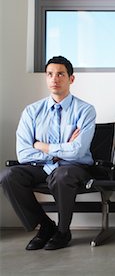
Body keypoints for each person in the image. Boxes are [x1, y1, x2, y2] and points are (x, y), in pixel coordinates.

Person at [0, 56, 97, 250]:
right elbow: (23, 153)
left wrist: (42, 145)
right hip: (43, 166)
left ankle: (63, 231)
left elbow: (78, 151)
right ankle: (45, 226)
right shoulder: (32, 111)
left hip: (75, 167)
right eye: (50, 74)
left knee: (62, 175)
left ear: (71, 79)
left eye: (61, 74)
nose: (55, 79)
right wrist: (61, 150)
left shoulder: (85, 110)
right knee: (9, 176)